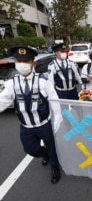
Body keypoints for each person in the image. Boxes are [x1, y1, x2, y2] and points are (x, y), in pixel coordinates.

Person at [0, 46, 62, 184]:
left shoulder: (43, 81)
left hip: (44, 124)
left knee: (51, 146)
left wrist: (58, 117)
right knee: (31, 149)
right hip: (26, 127)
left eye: (26, 61)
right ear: (15, 62)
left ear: (33, 63)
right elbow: (2, 102)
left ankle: (54, 166)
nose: (22, 64)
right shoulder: (11, 84)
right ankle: (43, 153)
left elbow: (54, 99)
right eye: (19, 60)